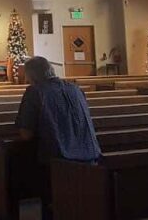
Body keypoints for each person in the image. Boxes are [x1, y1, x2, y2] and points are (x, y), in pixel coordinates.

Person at [16, 56, 101, 219]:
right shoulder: (75, 89)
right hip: (91, 157)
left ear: (32, 76)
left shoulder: (35, 91)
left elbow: (26, 134)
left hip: (59, 162)